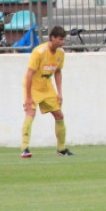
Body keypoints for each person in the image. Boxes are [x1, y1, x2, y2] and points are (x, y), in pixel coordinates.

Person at [21, 26, 74, 159]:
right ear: (53, 38)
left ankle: (61, 149)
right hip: (33, 87)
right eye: (61, 39)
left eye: (64, 40)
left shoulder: (60, 54)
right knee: (30, 113)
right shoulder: (39, 52)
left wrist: (59, 93)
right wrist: (28, 97)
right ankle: (24, 149)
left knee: (59, 115)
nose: (63, 43)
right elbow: (29, 75)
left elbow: (57, 72)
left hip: (47, 87)